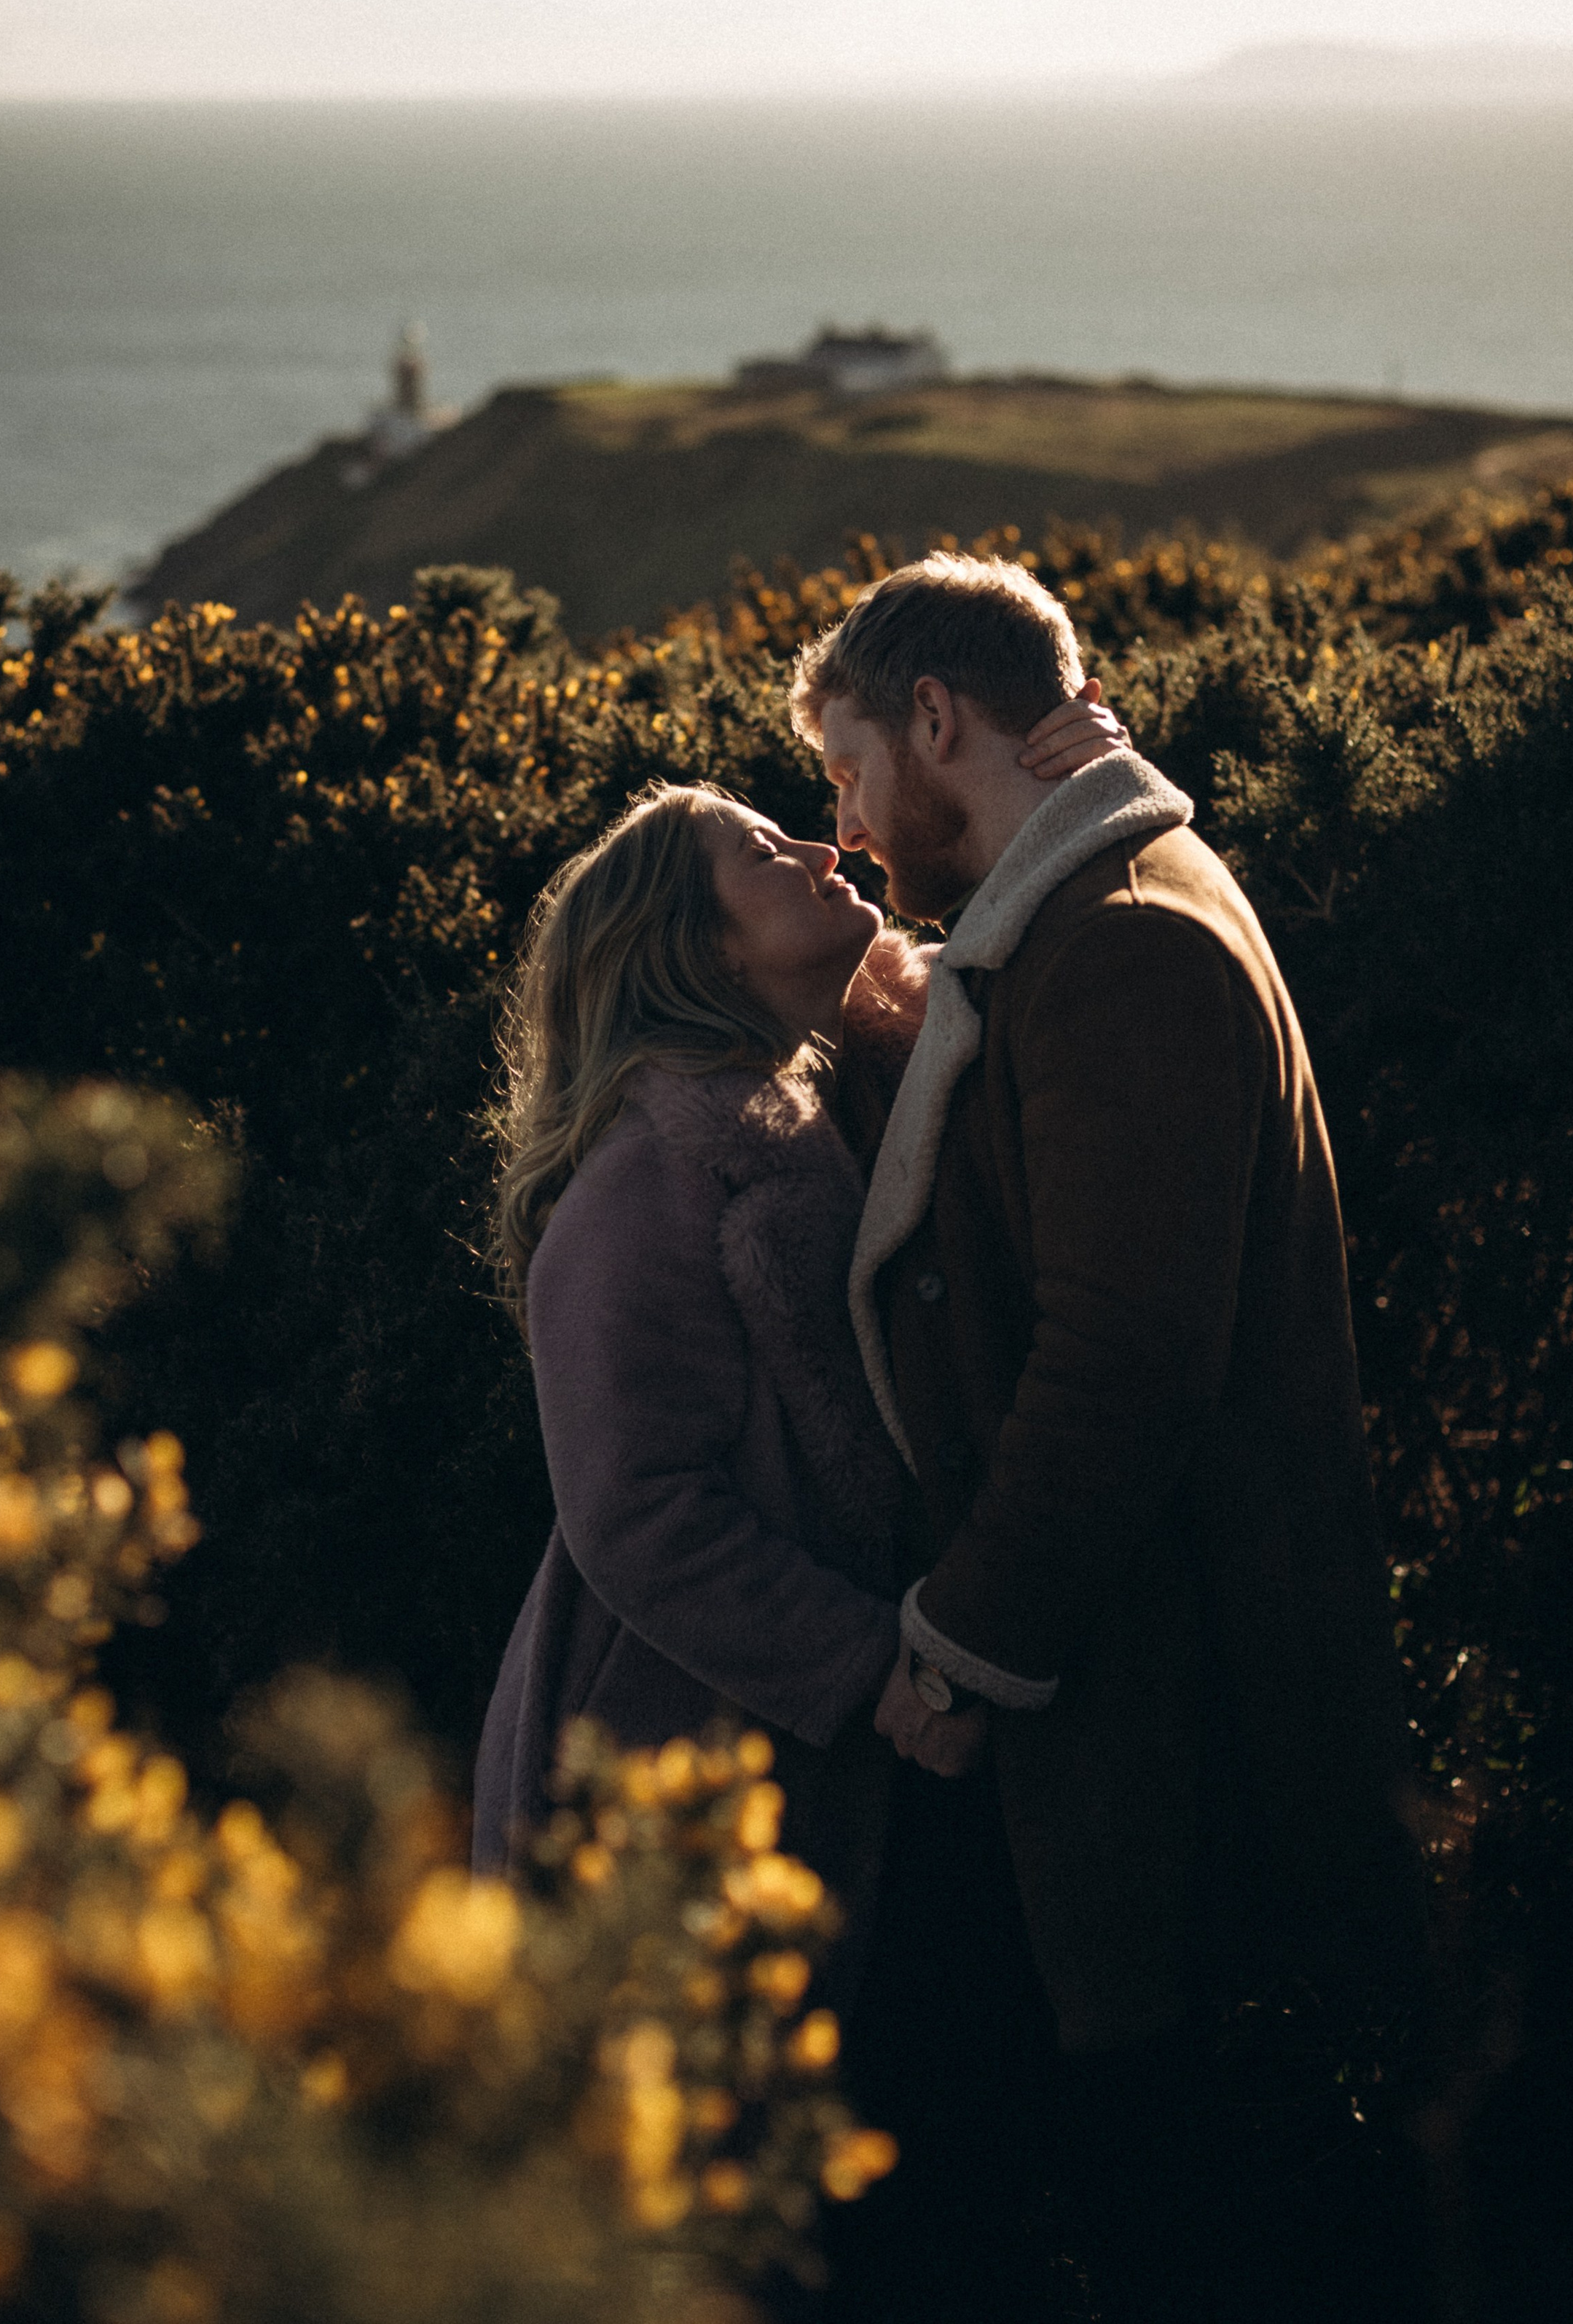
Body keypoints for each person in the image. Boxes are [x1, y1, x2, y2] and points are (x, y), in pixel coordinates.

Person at [789, 552, 1427, 2323]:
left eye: (846, 772)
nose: (842, 826)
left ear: (935, 717)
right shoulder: (1084, 904)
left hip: (1165, 1689)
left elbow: (1124, 1360)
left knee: (1182, 2209)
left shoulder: (1119, 941)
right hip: (1136, 1669)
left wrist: (962, 1641)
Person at [471, 710, 1120, 1949]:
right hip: (675, 1767)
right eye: (768, 856)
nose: (825, 851)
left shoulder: (850, 1092)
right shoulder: (644, 1182)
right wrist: (878, 1668)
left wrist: (1089, 784)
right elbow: (636, 1512)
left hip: (835, 1750)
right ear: (699, 951)